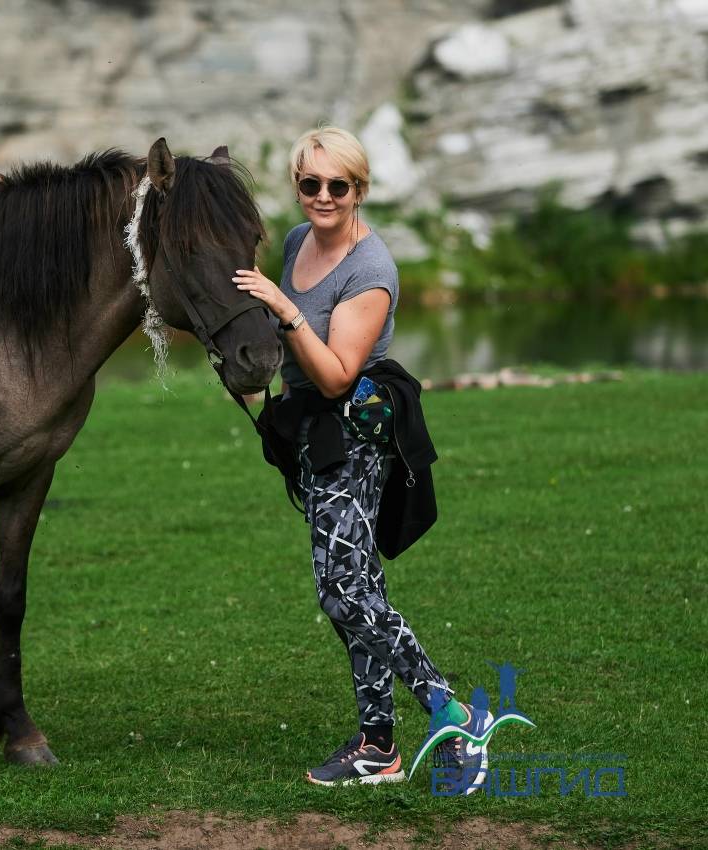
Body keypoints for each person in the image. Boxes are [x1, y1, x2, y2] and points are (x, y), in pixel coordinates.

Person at [232, 126, 491, 791]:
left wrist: (284, 308)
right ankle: (383, 744)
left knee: (344, 591)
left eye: (336, 186)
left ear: (359, 190)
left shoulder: (371, 270)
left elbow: (338, 374)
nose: (322, 196)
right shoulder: (296, 243)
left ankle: (448, 710)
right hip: (313, 440)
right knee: (358, 591)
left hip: (355, 437)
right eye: (309, 184)